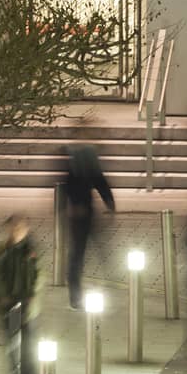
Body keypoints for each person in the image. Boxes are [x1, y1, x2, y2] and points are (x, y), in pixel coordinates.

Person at [0, 215, 41, 374]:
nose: (16, 230)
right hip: (8, 306)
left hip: (28, 306)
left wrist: (33, 296)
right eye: (13, 227)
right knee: (12, 346)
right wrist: (2, 297)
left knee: (29, 345)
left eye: (21, 227)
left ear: (26, 229)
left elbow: (40, 275)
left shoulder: (32, 251)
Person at [64, 126, 117, 308]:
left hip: (85, 210)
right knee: (79, 252)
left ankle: (81, 290)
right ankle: (76, 292)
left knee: (86, 250)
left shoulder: (86, 155)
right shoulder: (72, 156)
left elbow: (99, 180)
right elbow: (70, 184)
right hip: (79, 212)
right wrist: (109, 202)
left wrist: (109, 202)